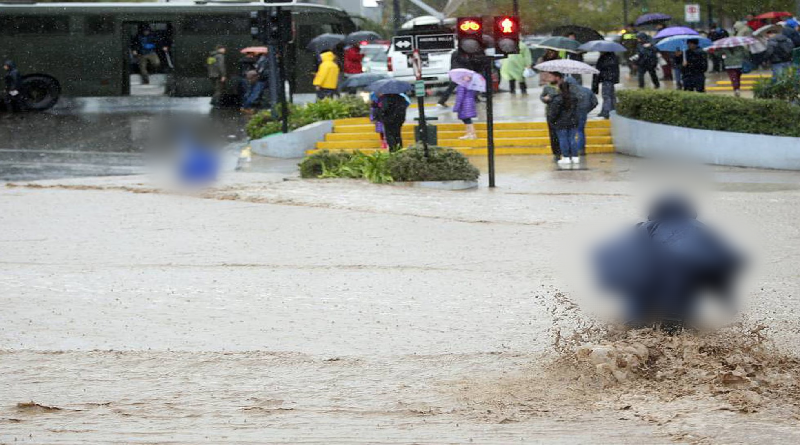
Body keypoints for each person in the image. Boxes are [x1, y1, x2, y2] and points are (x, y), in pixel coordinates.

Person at [594, 193, 741, 333]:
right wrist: (725, 298)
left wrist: (613, 285)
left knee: (633, 336)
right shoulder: (701, 229)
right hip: (679, 303)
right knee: (680, 343)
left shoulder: (640, 229)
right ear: (689, 209)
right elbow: (719, 264)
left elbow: (611, 257)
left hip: (640, 301)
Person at [546, 72, 580, 166]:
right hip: (573, 122)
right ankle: (575, 157)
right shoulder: (574, 97)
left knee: (563, 139)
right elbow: (577, 110)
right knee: (572, 139)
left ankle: (565, 157)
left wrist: (552, 120)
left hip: (561, 123)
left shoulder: (557, 99)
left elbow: (553, 113)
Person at [567, 76, 598, 156]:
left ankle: (572, 150)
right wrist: (587, 110)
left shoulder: (568, 92)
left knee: (572, 132)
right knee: (581, 131)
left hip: (572, 114)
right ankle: (581, 149)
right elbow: (595, 102)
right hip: (583, 113)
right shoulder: (586, 90)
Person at [539, 71, 561, 161]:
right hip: (551, 113)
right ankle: (556, 153)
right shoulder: (547, 87)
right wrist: (544, 99)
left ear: (557, 77)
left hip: (562, 114)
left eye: (551, 76)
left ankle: (567, 152)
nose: (548, 78)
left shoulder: (564, 86)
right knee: (553, 135)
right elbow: (542, 97)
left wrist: (552, 95)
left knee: (563, 134)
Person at [453, 71, 480, 140]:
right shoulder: (471, 85)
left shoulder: (462, 85)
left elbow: (460, 97)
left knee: (467, 120)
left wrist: (456, 107)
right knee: (466, 119)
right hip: (469, 103)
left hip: (464, 105)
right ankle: (469, 134)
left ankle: (472, 134)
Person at [592, 51, 619, 119]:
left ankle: (606, 112)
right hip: (610, 79)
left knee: (607, 96)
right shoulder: (613, 57)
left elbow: (601, 69)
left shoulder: (605, 58)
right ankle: (613, 111)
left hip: (606, 79)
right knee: (611, 96)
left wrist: (600, 76)